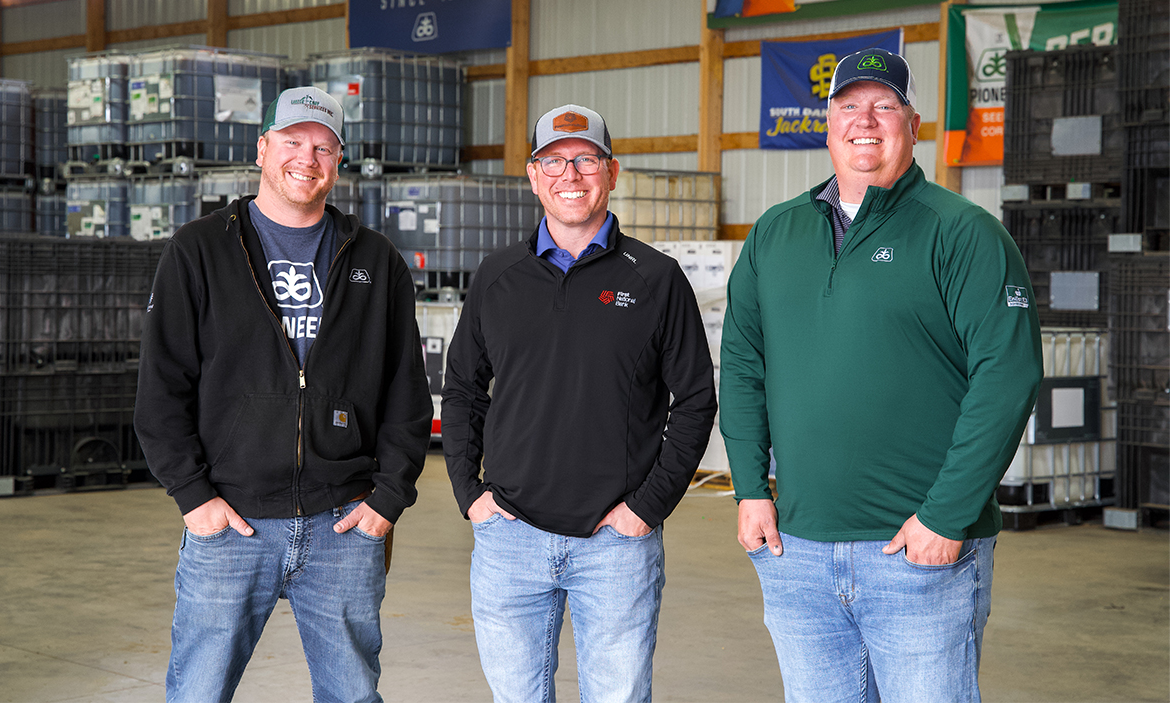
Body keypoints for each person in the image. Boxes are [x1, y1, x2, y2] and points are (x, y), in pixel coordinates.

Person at [719, 48, 1043, 703]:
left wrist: (946, 517)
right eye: (848, 105)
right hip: (797, 552)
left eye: (884, 105)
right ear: (827, 121)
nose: (864, 119)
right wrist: (751, 489)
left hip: (919, 555)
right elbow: (742, 365)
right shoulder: (774, 235)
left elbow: (1006, 378)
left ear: (912, 123)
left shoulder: (963, 234)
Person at [134, 86, 433, 703]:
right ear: (264, 148)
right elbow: (162, 387)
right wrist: (195, 499)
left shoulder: (376, 261)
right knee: (197, 692)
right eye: (293, 142)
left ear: (340, 161)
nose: (308, 158)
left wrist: (388, 498)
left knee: (352, 695)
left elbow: (408, 392)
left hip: (344, 525)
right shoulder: (200, 249)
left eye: (324, 147)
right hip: (231, 525)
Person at [441, 104, 717, 703]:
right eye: (554, 161)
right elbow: (462, 389)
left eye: (586, 159)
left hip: (616, 543)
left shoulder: (657, 277)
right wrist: (470, 495)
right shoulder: (497, 275)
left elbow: (695, 399)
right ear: (534, 176)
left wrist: (647, 507)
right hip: (509, 535)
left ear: (612, 172)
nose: (571, 173)